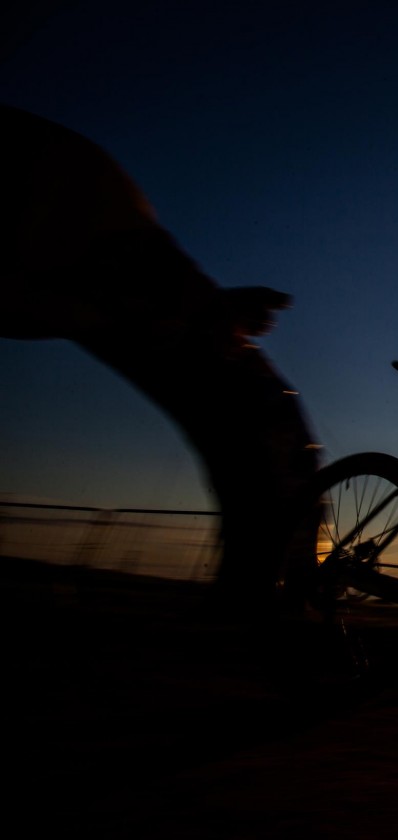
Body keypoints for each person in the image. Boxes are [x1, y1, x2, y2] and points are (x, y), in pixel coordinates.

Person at [1, 104, 319, 618]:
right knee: (262, 420)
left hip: (90, 235)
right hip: (88, 232)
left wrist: (198, 307)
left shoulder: (78, 210)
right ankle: (274, 596)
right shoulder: (77, 208)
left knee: (258, 418)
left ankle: (271, 593)